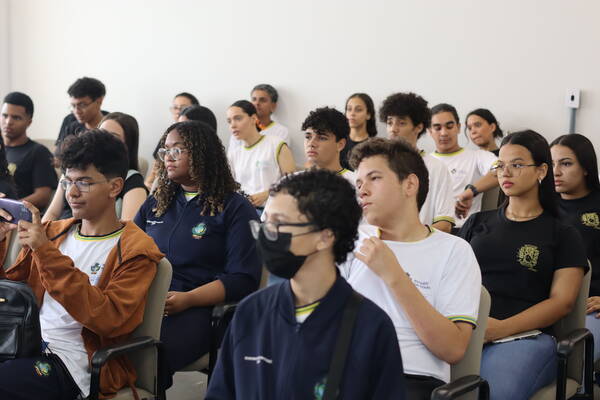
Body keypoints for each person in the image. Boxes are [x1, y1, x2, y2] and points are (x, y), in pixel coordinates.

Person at [206, 169, 406, 399]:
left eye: (279, 224)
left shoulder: (370, 328)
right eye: (265, 223)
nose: (266, 236)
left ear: (325, 237)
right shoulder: (251, 312)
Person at [0, 130, 163, 399]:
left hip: (74, 362)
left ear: (115, 187)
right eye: (67, 182)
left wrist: (45, 252)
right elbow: (11, 297)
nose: (72, 192)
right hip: (21, 344)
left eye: (84, 183)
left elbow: (109, 319)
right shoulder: (53, 232)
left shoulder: (136, 251)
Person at [340, 137, 481, 399]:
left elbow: (452, 349)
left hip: (409, 378)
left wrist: (394, 275)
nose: (362, 191)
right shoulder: (352, 242)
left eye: (374, 178)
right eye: (358, 183)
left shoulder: (454, 250)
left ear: (409, 184)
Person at [459, 130, 587, 399]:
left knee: (493, 393)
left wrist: (499, 329)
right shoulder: (477, 222)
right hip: (466, 329)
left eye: (516, 165)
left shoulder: (563, 233)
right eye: (500, 165)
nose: (505, 172)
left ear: (541, 171)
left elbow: (562, 302)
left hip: (526, 336)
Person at [134, 120, 262, 389]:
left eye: (177, 150)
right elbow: (127, 253)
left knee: (145, 356)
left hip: (199, 309)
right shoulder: (156, 202)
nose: (168, 157)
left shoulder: (235, 207)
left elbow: (243, 278)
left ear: (202, 154)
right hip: (145, 303)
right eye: (165, 151)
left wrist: (189, 299)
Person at [44, 112, 148, 222]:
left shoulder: (132, 180)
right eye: (100, 133)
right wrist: (41, 230)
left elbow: (130, 227)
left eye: (84, 183)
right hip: (62, 230)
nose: (103, 141)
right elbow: (52, 213)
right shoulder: (72, 169)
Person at [550, 133, 600, 362]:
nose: (556, 172)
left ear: (586, 167)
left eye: (566, 163)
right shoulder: (542, 206)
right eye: (551, 164)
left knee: (574, 360)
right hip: (546, 304)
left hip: (591, 306)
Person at [380, 92, 455, 233]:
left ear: (418, 127)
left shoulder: (436, 167)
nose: (393, 129)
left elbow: (445, 224)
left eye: (401, 123)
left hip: (423, 242)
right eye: (390, 123)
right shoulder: (379, 165)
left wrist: (413, 238)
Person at [429, 103, 498, 228]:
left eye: (449, 126)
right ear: (429, 131)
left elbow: (501, 169)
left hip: (464, 230)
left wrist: (471, 191)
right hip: (428, 231)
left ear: (458, 127)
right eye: (437, 128)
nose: (444, 133)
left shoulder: (478, 156)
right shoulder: (422, 162)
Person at [226, 100, 295, 210]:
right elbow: (230, 188)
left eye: (238, 118)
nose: (232, 125)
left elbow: (293, 183)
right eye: (229, 121)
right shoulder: (234, 154)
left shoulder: (276, 144)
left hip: (273, 210)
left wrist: (267, 194)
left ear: (253, 118)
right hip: (245, 210)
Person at [1, 92, 57, 208]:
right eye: (4, 115)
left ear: (29, 122)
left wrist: (9, 207)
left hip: (16, 215)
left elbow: (42, 196)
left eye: (16, 117)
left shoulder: (39, 152)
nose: (8, 122)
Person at [145, 92, 200, 189]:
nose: (178, 111)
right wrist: (149, 185)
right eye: (175, 107)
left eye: (183, 108)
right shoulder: (168, 136)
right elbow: (154, 171)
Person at [228, 84, 290, 151]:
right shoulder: (239, 130)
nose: (257, 103)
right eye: (254, 99)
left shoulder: (281, 131)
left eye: (262, 100)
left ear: (273, 106)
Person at [55, 77, 108, 150]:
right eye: (73, 106)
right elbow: (59, 154)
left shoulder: (112, 124)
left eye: (82, 105)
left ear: (99, 101)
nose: (77, 111)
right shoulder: (70, 121)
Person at [341, 92, 377, 169]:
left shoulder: (375, 146)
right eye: (349, 109)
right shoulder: (338, 142)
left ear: (368, 114)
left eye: (358, 110)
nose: (352, 114)